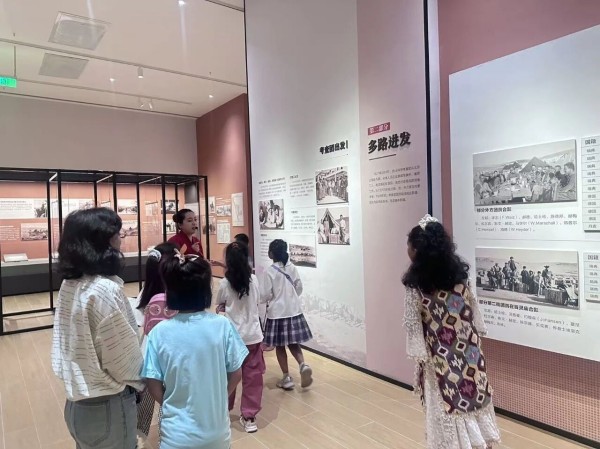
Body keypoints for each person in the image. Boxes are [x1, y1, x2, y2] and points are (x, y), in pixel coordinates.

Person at [402, 214, 501, 449]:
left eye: (409, 245)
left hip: (440, 357)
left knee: (446, 403)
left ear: (417, 250)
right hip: (469, 352)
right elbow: (474, 313)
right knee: (473, 396)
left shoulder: (417, 286)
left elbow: (413, 325)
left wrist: (419, 354)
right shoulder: (461, 278)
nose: (407, 250)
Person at [51, 208, 143, 449]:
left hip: (78, 404)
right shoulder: (104, 290)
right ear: (102, 241)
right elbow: (123, 361)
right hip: (108, 407)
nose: (120, 239)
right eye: (116, 234)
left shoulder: (70, 283)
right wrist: (145, 383)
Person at [142, 252, 248, 449]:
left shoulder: (158, 333)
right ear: (206, 290)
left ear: (169, 291)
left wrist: (169, 404)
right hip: (217, 434)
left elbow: (152, 382)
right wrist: (221, 397)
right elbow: (236, 373)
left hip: (175, 436)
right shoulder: (222, 326)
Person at [216, 242, 265, 433]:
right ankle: (249, 417)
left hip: (231, 338)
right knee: (253, 378)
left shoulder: (225, 283)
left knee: (229, 376)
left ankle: (223, 412)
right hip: (253, 336)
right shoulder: (254, 280)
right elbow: (258, 301)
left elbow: (219, 304)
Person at [135, 242, 178, 448]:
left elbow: (139, 325)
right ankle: (167, 437)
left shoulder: (146, 292)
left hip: (148, 357)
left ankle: (139, 436)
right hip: (173, 356)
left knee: (148, 397)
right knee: (170, 400)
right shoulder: (176, 293)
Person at [261, 239, 314, 390]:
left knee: (280, 346)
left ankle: (286, 378)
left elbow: (265, 295)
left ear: (271, 253)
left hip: (277, 313)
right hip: (294, 311)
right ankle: (303, 365)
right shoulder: (292, 267)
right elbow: (299, 287)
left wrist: (268, 299)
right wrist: (290, 297)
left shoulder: (269, 271)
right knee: (294, 343)